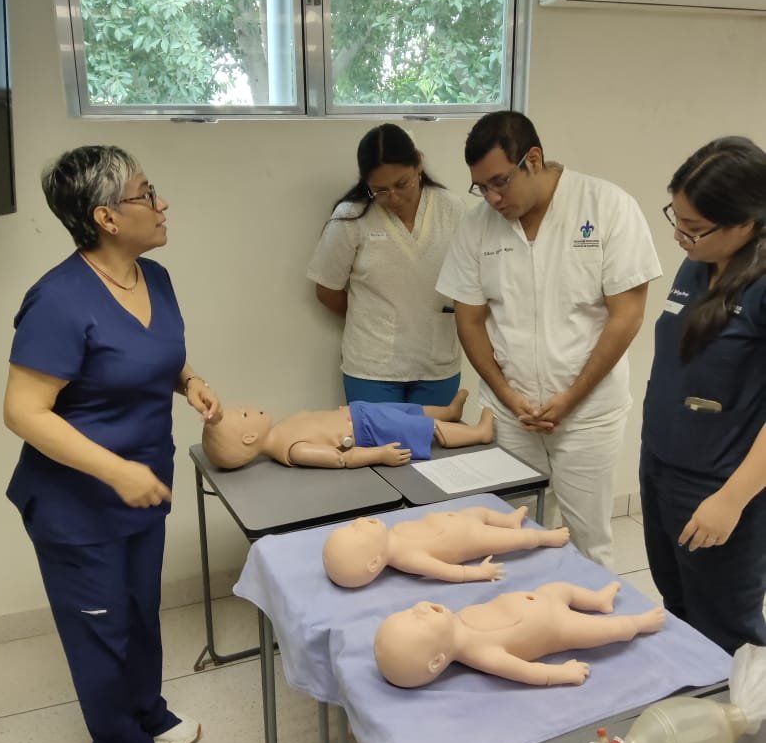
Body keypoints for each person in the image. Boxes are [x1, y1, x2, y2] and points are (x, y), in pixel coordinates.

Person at [3, 145, 223, 743]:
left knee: (138, 611)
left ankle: (147, 712)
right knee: (99, 627)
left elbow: (153, 355)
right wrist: (114, 471)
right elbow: (23, 412)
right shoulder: (58, 300)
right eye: (146, 194)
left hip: (141, 488)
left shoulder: (154, 278)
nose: (162, 203)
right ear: (106, 217)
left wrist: (191, 381)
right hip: (77, 504)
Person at [436, 111, 662, 570]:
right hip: (512, 413)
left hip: (587, 414)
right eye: (481, 187)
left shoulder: (606, 206)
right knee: (509, 533)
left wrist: (571, 397)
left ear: (533, 160)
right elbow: (470, 321)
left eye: (500, 182)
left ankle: (589, 610)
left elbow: (627, 316)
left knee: (588, 540)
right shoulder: (478, 226)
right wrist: (506, 395)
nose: (492, 198)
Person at [640, 136, 766, 655]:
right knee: (678, 608)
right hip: (662, 465)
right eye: (677, 218)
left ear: (746, 222)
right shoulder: (697, 263)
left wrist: (731, 500)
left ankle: (743, 709)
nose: (679, 236)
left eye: (694, 227)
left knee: (726, 628)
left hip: (720, 483)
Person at [307, 123, 465, 406]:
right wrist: (374, 318)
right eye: (379, 190)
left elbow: (470, 281)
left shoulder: (451, 209)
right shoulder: (350, 217)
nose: (393, 197)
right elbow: (327, 290)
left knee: (436, 436)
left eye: (402, 184)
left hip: (437, 363)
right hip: (372, 369)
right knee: (375, 437)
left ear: (419, 164)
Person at [373, 581, 665, 688]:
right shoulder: (480, 653)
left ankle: (598, 600)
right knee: (609, 629)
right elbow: (526, 672)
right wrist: (561, 674)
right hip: (558, 625)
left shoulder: (456, 622)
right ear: (437, 661)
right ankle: (640, 624)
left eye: (409, 611)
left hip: (542, 597)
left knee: (560, 588)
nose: (420, 607)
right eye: (419, 620)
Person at [201, 389, 493, 470]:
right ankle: (479, 434)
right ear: (249, 437)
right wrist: (379, 455)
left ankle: (450, 412)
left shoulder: (282, 429)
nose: (249, 407)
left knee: (408, 411)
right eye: (244, 414)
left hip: (360, 412)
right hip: (368, 429)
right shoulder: (294, 450)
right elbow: (341, 458)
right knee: (422, 428)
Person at [322, 505, 569, 587]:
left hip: (461, 519)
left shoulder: (391, 536)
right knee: (521, 539)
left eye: (351, 526)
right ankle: (546, 538)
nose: (358, 521)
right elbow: (448, 572)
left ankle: (508, 521)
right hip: (473, 537)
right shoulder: (406, 557)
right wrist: (479, 573)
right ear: (374, 562)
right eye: (357, 531)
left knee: (481, 511)